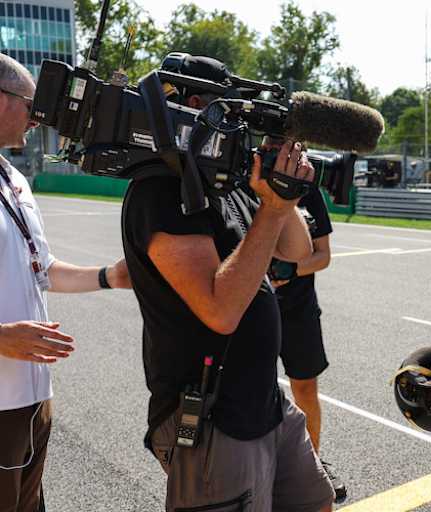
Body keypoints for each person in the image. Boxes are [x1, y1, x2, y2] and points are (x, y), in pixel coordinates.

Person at [121, 89, 335, 510]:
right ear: (192, 108)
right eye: (222, 107)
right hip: (212, 413)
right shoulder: (161, 190)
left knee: (315, 501)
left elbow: (295, 250)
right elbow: (219, 312)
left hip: (263, 400)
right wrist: (270, 211)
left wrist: (282, 193)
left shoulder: (227, 179)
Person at [0, 53, 130, 512]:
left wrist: (110, 276)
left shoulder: (14, 178)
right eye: (30, 104)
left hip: (33, 398)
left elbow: (42, 267)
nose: (39, 117)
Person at [271, 186, 347, 503]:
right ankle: (257, 464)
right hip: (250, 305)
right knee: (249, 387)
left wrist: (288, 269)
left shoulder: (308, 192)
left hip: (298, 309)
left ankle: (312, 462)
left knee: (305, 389)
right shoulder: (246, 178)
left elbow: (323, 256)